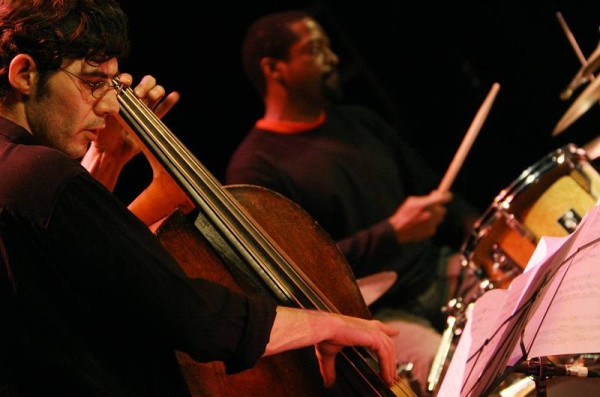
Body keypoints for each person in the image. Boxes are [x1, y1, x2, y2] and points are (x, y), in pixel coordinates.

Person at [0, 1, 401, 395]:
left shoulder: (17, 172)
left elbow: (72, 263)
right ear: (24, 74)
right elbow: (190, 314)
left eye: (111, 84)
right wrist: (328, 323)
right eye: (92, 82)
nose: (108, 104)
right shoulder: (38, 173)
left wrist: (106, 159)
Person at [225, 10, 482, 394]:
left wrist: (481, 230)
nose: (333, 60)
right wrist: (391, 234)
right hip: (375, 313)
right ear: (274, 69)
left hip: (437, 272)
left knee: (523, 312)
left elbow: (437, 192)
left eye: (328, 47)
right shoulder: (255, 168)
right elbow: (297, 272)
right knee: (459, 381)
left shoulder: (360, 122)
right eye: (315, 50)